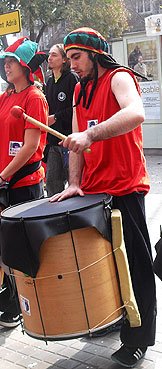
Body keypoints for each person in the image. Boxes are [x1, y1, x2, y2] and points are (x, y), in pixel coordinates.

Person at [50, 27, 156, 368]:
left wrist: (91, 134)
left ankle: (139, 338)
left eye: (76, 57)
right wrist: (74, 182)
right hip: (95, 192)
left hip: (125, 187)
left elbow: (136, 113)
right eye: (68, 59)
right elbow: (76, 139)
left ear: (94, 54)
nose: (72, 65)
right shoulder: (81, 89)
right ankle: (113, 318)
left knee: (135, 267)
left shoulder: (119, 78)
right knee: (106, 265)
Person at [0, 37, 48, 328]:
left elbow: (30, 146)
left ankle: (21, 303)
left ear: (25, 67)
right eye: (5, 62)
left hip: (24, 182)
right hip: (4, 181)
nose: (6, 66)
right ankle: (11, 293)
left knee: (20, 246)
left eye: (11, 62)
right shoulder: (5, 97)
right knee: (4, 245)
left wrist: (4, 176)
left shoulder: (35, 97)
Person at [45, 44, 79, 196]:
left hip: (69, 141)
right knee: (52, 183)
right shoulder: (49, 82)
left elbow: (76, 108)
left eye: (54, 55)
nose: (49, 58)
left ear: (64, 60)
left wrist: (56, 117)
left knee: (75, 183)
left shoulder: (72, 78)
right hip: (53, 142)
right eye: (49, 55)